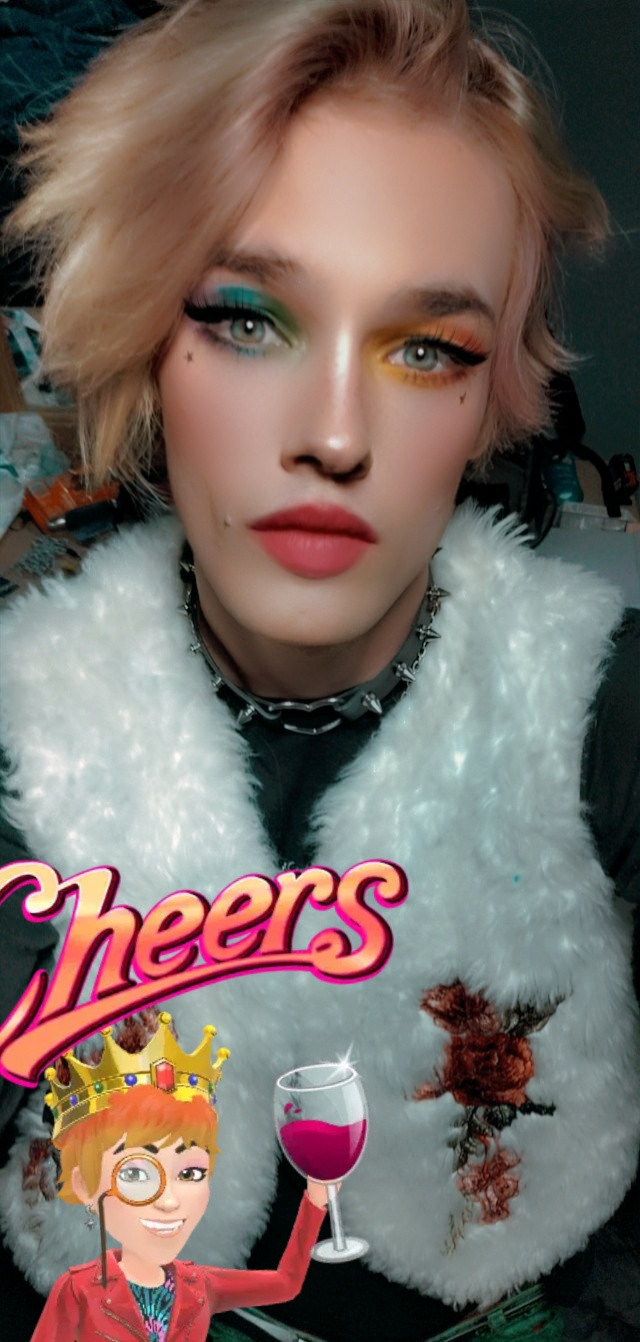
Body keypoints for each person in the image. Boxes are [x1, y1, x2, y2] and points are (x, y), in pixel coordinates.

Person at [0, 2, 638, 1340]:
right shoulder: (26, 726)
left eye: (426, 348)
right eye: (248, 319)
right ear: (143, 342)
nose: (336, 433)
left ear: (492, 400)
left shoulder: (603, 712)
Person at [30, 1012, 327, 1341]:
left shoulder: (198, 1284)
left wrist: (315, 1200)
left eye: (190, 1173)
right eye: (136, 1174)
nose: (169, 1200)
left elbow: (286, 1282)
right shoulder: (76, 1292)